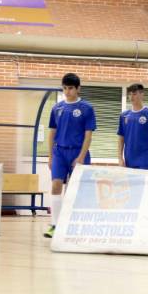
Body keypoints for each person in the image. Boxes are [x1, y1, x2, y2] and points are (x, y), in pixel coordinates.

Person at [45, 73, 96, 238]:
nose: (67, 91)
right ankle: (54, 224)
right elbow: (52, 133)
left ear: (78, 88)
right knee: (56, 186)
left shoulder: (86, 108)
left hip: (78, 152)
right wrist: (50, 156)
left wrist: (81, 156)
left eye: (71, 88)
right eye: (65, 88)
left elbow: (88, 135)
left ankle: (70, 224)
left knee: (73, 190)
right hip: (59, 152)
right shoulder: (57, 108)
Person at [117, 84, 148, 170]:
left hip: (147, 162)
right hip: (129, 161)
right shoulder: (124, 115)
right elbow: (121, 139)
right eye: (130, 94)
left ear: (142, 95)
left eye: (134, 94)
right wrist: (120, 158)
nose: (131, 97)